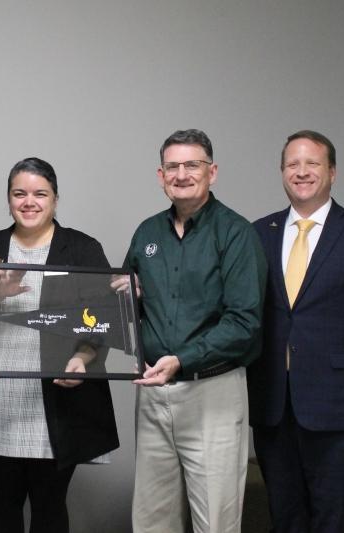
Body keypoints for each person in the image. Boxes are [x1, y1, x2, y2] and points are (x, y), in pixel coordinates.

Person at [248, 130, 344, 532]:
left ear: (332, 172)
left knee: (332, 519)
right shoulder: (257, 233)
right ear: (282, 172)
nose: (301, 172)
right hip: (273, 406)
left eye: (312, 163)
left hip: (341, 408)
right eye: (292, 164)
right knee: (284, 517)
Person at [0, 157, 120, 533]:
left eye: (39, 194)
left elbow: (101, 319)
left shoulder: (81, 249)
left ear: (55, 200)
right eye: (19, 193)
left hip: (57, 399)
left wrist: (81, 359)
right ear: (9, 199)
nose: (29, 202)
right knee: (3, 503)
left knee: (49, 506)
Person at [123, 129, 267, 532]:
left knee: (215, 520)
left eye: (192, 165)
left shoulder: (236, 233)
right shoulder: (147, 234)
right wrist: (124, 297)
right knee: (152, 519)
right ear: (160, 174)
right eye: (172, 166)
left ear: (212, 172)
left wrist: (181, 360)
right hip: (154, 394)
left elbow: (244, 323)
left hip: (212, 394)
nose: (181, 174)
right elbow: (124, 305)